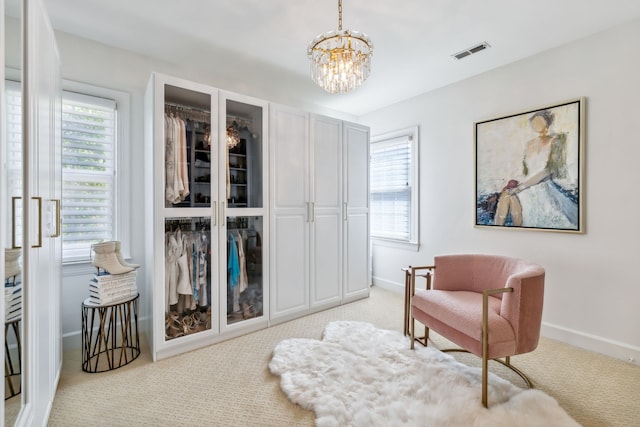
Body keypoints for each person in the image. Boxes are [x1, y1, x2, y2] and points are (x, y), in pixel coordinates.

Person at [494, 109, 574, 228]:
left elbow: (548, 170)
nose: (536, 124)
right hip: (527, 183)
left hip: (543, 184)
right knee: (506, 195)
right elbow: (526, 171)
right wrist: (516, 184)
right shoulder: (529, 144)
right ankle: (497, 230)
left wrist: (521, 187)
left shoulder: (556, 141)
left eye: (539, 121)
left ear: (547, 122)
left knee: (513, 196)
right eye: (534, 122)